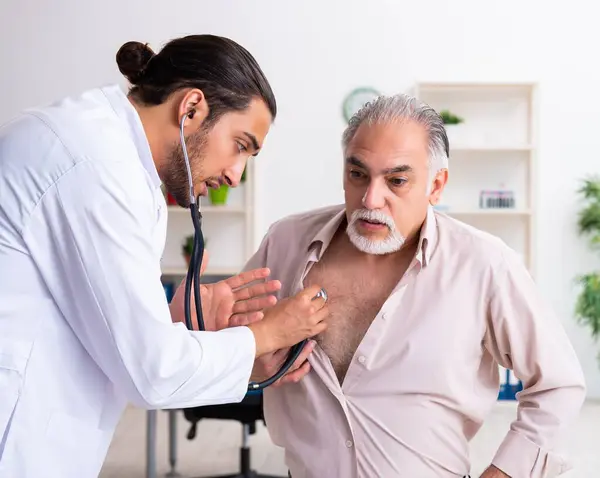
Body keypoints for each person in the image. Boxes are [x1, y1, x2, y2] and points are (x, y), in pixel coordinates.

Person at [0, 35, 329, 478]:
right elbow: (151, 374)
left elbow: (91, 319)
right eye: (240, 145)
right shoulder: (97, 166)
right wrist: (270, 332)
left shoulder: (109, 153)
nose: (236, 174)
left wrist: (173, 323)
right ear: (191, 108)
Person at [247, 94, 587, 478]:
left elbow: (559, 384)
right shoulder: (285, 243)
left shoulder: (485, 264)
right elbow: (229, 351)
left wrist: (504, 473)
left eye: (397, 180)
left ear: (436, 185)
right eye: (357, 174)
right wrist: (252, 365)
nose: (371, 199)